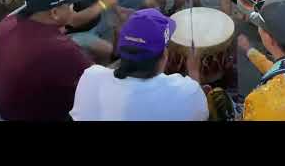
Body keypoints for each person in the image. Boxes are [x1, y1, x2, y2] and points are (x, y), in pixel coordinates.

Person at [70, 8, 209, 121]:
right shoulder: (187, 91)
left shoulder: (90, 77)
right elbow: (202, 114)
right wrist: (194, 72)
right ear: (165, 56)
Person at [0, 0, 93, 121]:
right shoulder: (60, 49)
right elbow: (95, 80)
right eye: (70, 5)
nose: (73, 8)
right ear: (54, 12)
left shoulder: (7, 22)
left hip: (9, 106)